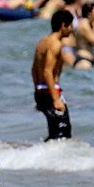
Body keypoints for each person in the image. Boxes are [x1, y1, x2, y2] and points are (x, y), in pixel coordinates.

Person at [32, 9, 75, 140]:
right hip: (51, 93)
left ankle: (45, 152)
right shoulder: (55, 44)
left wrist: (37, 92)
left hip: (41, 91)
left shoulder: (42, 42)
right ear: (63, 25)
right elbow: (47, 71)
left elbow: (33, 70)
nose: (72, 29)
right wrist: (56, 99)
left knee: (55, 132)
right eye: (70, 25)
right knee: (63, 133)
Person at [70, 1, 94, 69]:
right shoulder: (84, 25)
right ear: (89, 14)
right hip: (83, 61)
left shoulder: (87, 24)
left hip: (87, 60)